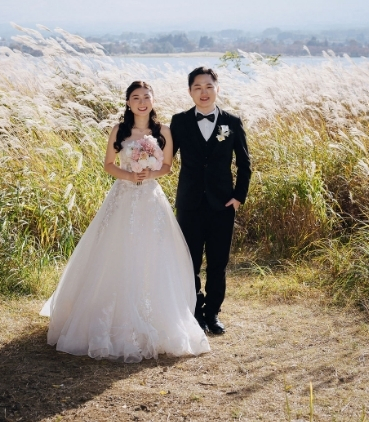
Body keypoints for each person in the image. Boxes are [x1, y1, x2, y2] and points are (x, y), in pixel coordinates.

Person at [41, 81, 210, 362]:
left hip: (151, 198)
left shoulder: (164, 132)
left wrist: (148, 174)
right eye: (135, 97)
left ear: (153, 100)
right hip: (123, 196)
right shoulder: (119, 130)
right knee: (115, 251)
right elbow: (109, 164)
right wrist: (131, 175)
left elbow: (167, 167)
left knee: (152, 254)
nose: (142, 101)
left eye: (146, 96)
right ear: (128, 102)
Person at [169, 66, 251, 335]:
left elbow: (245, 164)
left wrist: (238, 197)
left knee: (218, 262)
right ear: (190, 91)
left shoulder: (232, 122)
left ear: (217, 88)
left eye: (208, 86)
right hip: (189, 204)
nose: (203, 92)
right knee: (188, 261)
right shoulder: (179, 122)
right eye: (197, 87)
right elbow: (166, 158)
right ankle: (194, 312)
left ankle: (213, 312)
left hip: (222, 205)